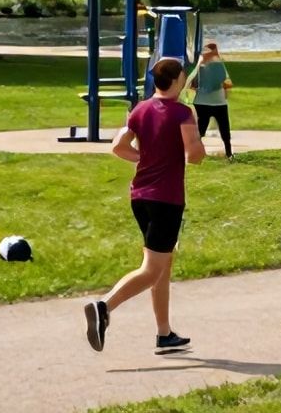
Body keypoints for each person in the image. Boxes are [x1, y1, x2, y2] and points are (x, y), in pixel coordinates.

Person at [84, 57, 204, 356]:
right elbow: (195, 155)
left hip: (140, 197)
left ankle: (164, 334)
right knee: (152, 269)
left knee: (163, 263)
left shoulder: (140, 109)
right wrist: (197, 132)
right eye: (183, 78)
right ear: (176, 81)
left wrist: (146, 159)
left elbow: (118, 146)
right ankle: (104, 307)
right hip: (166, 199)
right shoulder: (182, 113)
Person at [186, 42, 233, 160]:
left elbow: (191, 81)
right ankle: (229, 154)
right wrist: (226, 94)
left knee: (201, 129)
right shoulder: (218, 63)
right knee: (224, 129)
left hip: (202, 101)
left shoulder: (200, 63)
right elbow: (227, 83)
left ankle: (195, 153)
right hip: (219, 102)